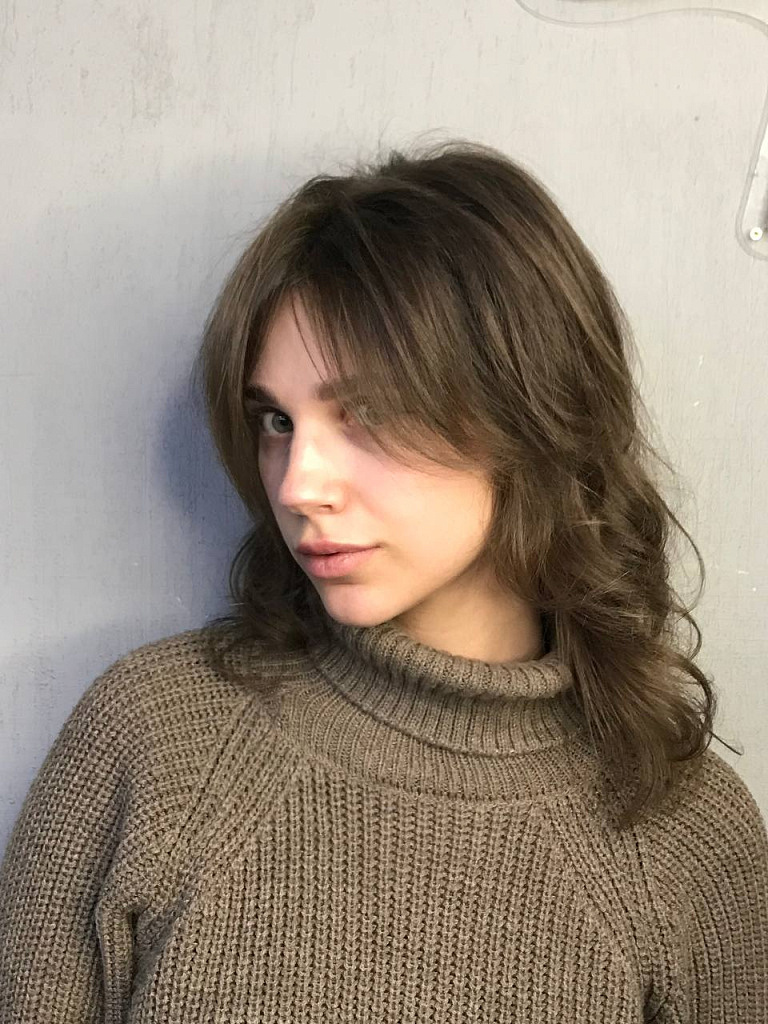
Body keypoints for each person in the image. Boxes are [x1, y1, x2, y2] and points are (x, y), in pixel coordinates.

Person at [1, 138, 766, 1023]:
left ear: (529, 411)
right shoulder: (153, 740)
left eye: (364, 413)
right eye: (276, 420)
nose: (297, 485)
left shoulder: (684, 839)